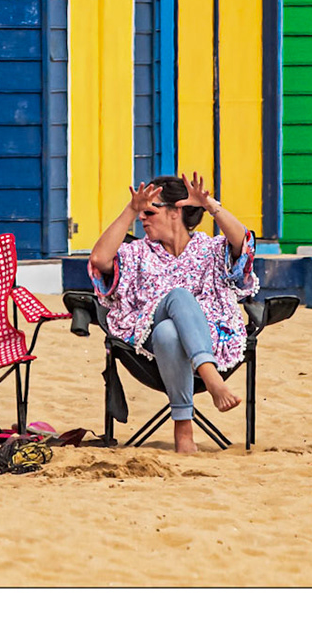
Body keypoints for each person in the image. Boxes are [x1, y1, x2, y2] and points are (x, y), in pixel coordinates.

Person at [87, 172, 259, 453]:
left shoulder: (209, 249)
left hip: (204, 338)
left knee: (168, 332)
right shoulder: (138, 252)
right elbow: (99, 259)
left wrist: (210, 205)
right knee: (178, 297)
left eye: (149, 212)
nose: (142, 219)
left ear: (175, 212)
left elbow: (245, 245)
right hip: (146, 346)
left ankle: (183, 429)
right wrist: (131, 209)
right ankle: (211, 379)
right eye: (140, 213)